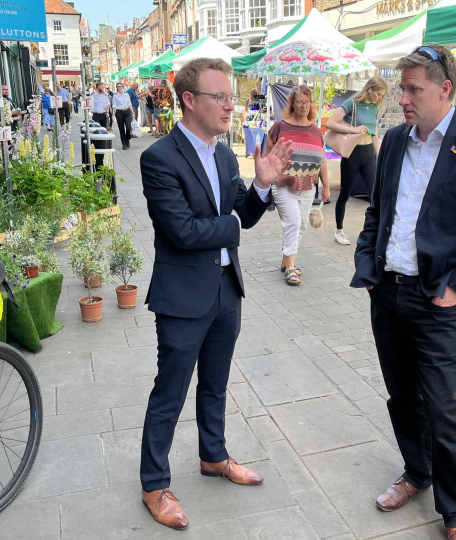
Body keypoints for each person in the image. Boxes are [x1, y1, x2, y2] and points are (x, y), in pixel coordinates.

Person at [350, 45, 456, 540]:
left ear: (445, 89)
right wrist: (369, 265)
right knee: (402, 396)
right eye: (402, 88)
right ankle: (416, 473)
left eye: (412, 89)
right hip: (389, 292)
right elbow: (377, 212)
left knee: (442, 405)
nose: (402, 98)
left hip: (438, 300)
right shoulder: (397, 140)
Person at [138, 58, 293, 530]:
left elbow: (241, 215)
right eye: (220, 97)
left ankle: (214, 456)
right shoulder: (159, 158)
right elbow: (182, 232)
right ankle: (153, 483)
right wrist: (229, 226)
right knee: (171, 391)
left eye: (230, 96)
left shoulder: (226, 155)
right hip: (183, 295)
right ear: (189, 100)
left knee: (216, 384)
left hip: (227, 288)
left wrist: (263, 187)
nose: (231, 104)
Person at [265, 85, 331, 286]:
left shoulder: (316, 131)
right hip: (283, 185)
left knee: (302, 224)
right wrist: (266, 180)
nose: (304, 105)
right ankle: (291, 266)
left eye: (307, 101)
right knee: (293, 222)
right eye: (300, 101)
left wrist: (326, 186)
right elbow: (268, 156)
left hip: (307, 187)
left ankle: (286, 261)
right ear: (292, 103)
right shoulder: (280, 127)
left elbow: (323, 161)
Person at [326, 76, 388, 246]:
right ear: (370, 89)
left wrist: (380, 157)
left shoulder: (375, 108)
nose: (379, 98)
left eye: (382, 96)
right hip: (352, 154)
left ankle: (375, 231)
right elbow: (330, 123)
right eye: (378, 94)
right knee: (345, 194)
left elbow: (374, 135)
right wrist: (353, 130)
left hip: (368, 155)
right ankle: (339, 231)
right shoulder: (351, 104)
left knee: (375, 195)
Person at [112, 83, 134, 150]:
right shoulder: (115, 96)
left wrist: (132, 112)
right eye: (118, 86)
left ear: (123, 87)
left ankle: (127, 139)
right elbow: (114, 106)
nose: (119, 87)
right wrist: (113, 115)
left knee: (128, 127)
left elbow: (129, 103)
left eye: (120, 86)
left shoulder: (126, 94)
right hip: (119, 113)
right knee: (121, 129)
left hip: (127, 111)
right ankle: (124, 143)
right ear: (116, 88)